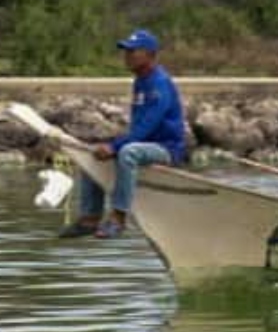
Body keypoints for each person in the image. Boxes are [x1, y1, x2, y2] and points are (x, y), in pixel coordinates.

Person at [59, 29, 187, 240]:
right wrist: (109, 148)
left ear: (150, 55)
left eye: (133, 52)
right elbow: (138, 129)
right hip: (143, 146)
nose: (127, 56)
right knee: (94, 151)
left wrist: (116, 147)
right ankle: (90, 217)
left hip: (166, 148)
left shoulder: (159, 83)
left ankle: (118, 217)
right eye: (126, 51)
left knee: (127, 151)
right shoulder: (140, 81)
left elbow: (147, 125)